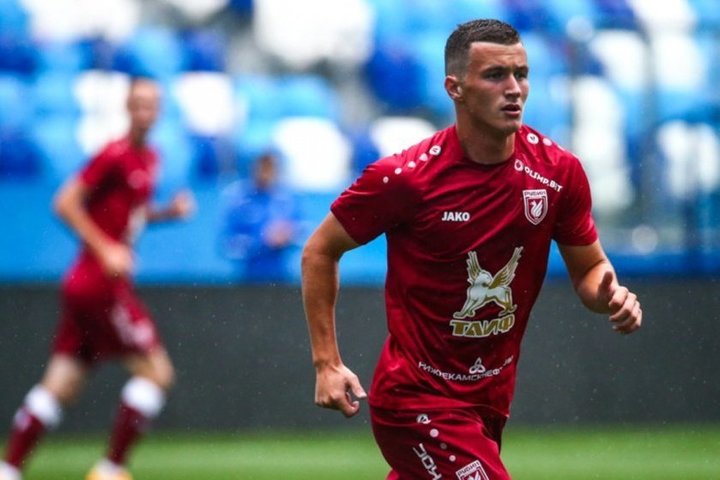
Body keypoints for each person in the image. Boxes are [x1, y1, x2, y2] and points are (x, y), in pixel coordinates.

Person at [301, 18, 642, 479]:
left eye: (521, 74)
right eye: (495, 75)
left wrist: (610, 294)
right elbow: (320, 251)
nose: (514, 89)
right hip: (414, 399)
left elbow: (590, 269)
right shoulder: (406, 179)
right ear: (454, 88)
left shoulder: (557, 172)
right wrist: (327, 363)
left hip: (488, 400)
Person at [0, 77, 195, 480]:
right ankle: (110, 470)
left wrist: (166, 214)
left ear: (160, 111)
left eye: (151, 104)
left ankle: (9, 469)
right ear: (127, 108)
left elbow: (130, 214)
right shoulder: (113, 154)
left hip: (87, 287)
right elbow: (65, 202)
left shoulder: (150, 158)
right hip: (99, 285)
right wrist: (105, 248)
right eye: (138, 104)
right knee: (156, 373)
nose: (144, 112)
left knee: (61, 384)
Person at [218, 151, 301, 283]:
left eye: (271, 168)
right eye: (263, 168)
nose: (266, 174)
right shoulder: (239, 201)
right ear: (253, 169)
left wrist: (289, 236)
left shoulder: (287, 200)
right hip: (249, 280)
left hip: (282, 278)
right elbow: (226, 245)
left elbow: (306, 235)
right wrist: (262, 240)